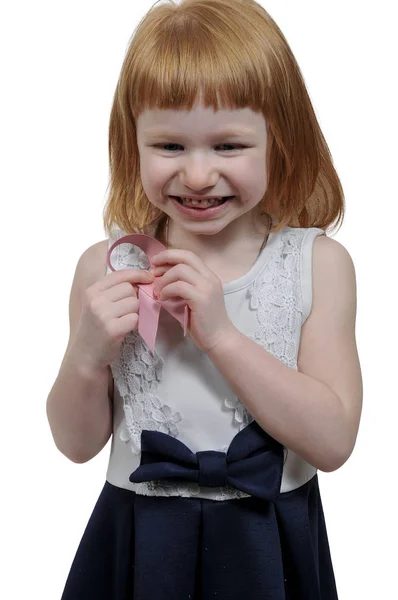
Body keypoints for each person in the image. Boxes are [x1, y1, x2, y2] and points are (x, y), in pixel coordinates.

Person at [46, 0, 363, 598]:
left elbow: (333, 442)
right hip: (138, 536)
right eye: (169, 146)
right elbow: (76, 444)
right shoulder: (108, 266)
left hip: (267, 539)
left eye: (228, 146)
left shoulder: (316, 264)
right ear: (129, 144)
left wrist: (220, 336)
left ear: (281, 141)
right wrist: (86, 356)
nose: (196, 175)